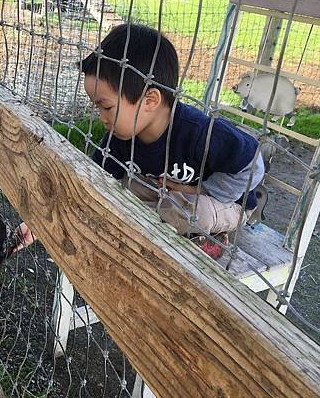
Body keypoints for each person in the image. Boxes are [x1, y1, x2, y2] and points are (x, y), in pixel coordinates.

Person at [80, 23, 264, 259]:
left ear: (150, 100)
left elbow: (253, 165)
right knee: (127, 187)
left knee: (192, 213)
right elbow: (97, 178)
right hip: (166, 194)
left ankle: (208, 238)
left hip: (225, 204)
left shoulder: (198, 131)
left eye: (105, 107)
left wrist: (203, 189)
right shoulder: (119, 137)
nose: (101, 118)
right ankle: (148, 227)